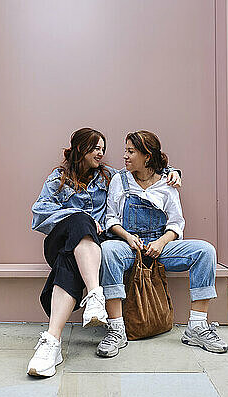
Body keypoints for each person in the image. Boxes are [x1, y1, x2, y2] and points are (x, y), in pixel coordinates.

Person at [28, 127, 181, 377]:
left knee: (70, 263)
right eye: (96, 148)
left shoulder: (109, 176)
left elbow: (146, 169)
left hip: (86, 252)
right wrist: (81, 217)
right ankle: (95, 295)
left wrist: (172, 172)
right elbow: (39, 213)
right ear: (80, 149)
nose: (101, 153)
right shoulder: (58, 177)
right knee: (80, 222)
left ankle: (52, 342)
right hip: (60, 241)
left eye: (103, 148)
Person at [97, 130, 228, 358]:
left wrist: (161, 242)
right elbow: (111, 219)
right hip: (129, 247)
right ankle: (116, 329)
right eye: (125, 151)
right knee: (108, 250)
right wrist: (127, 237)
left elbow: (177, 224)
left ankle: (197, 327)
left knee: (205, 251)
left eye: (131, 152)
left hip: (160, 245)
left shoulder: (167, 183)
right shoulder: (120, 180)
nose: (125, 156)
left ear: (147, 156)